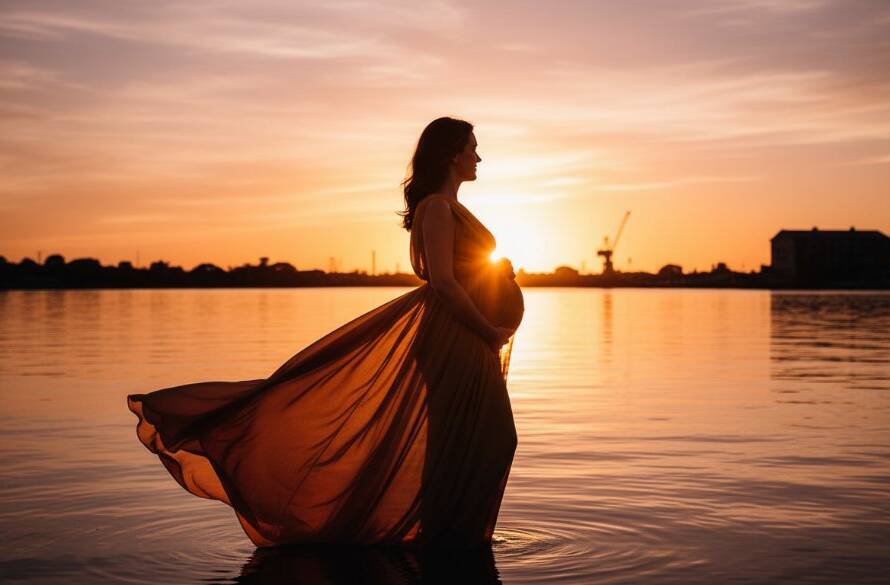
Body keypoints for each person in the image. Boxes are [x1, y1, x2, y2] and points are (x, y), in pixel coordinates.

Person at [126, 116, 525, 548]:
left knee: (469, 440)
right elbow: (442, 281)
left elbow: (459, 272)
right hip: (457, 338)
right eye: (472, 147)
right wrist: (487, 330)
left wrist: (493, 274)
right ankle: (444, 536)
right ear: (451, 154)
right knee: (491, 437)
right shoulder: (438, 208)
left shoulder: (449, 207)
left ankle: (450, 535)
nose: (478, 157)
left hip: (467, 336)